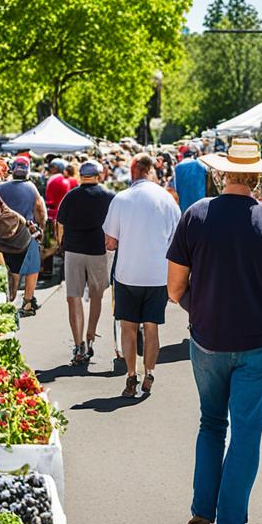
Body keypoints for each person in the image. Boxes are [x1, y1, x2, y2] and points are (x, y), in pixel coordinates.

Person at [166, 139, 262, 524]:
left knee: (211, 424)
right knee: (245, 434)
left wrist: (200, 304)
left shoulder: (196, 215)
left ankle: (200, 512)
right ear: (258, 176)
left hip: (207, 339)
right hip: (256, 341)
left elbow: (175, 288)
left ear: (222, 173)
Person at [103, 153, 181, 397]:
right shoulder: (168, 200)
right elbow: (177, 241)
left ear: (133, 168)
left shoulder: (121, 199)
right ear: (152, 170)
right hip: (158, 274)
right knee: (152, 328)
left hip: (128, 274)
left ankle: (131, 375)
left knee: (127, 327)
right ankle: (150, 372)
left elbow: (110, 243)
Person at [55, 160, 114, 365]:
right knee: (97, 296)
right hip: (98, 251)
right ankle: (90, 336)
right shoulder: (108, 196)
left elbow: (60, 223)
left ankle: (78, 342)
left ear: (81, 176)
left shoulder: (71, 196)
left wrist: (61, 242)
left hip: (74, 250)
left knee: (74, 296)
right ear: (98, 175)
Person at [0, 157, 46, 315]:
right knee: (32, 267)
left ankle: (9, 299)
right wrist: (41, 228)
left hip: (3, 234)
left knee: (10, 268)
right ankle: (28, 302)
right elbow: (41, 211)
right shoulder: (31, 187)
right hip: (25, 233)